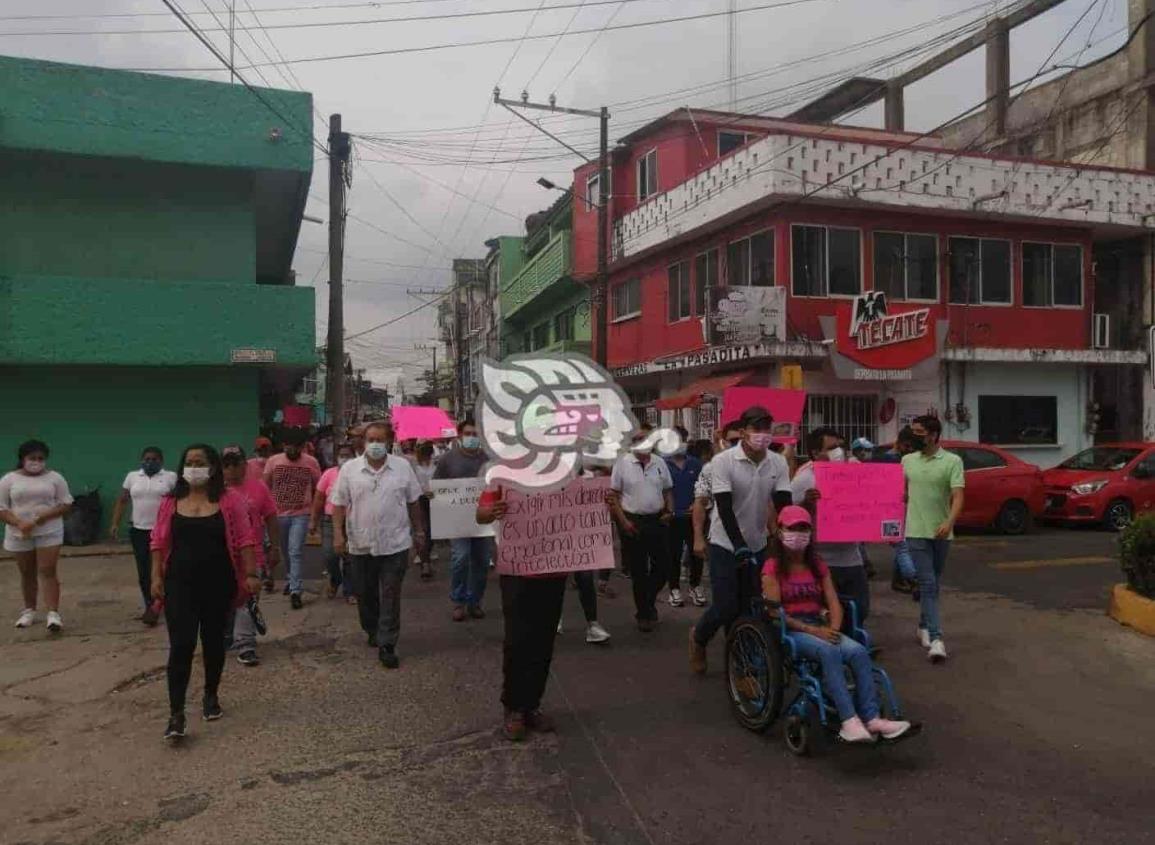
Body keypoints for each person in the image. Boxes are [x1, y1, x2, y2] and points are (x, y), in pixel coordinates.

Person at [761, 505, 912, 743]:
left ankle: (872, 718)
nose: (799, 534)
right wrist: (816, 632)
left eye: (804, 528)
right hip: (792, 629)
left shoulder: (817, 564)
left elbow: (833, 601)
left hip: (821, 626)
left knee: (859, 651)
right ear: (780, 531)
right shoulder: (773, 567)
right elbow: (775, 613)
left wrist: (834, 627)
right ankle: (849, 721)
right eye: (793, 528)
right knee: (829, 651)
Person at [149, 444, 259, 742]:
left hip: (219, 583)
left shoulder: (229, 500)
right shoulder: (170, 502)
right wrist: (155, 577)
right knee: (181, 646)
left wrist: (250, 574)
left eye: (200, 462)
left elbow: (245, 539)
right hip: (179, 584)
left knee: (213, 643)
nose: (194, 467)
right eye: (189, 462)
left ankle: (211, 695)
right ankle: (176, 715)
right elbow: (158, 542)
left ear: (212, 468)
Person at [689, 406, 791, 674]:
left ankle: (742, 662)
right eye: (757, 429)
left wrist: (792, 531)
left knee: (751, 606)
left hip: (758, 543)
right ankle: (699, 638)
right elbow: (723, 507)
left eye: (767, 429)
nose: (763, 435)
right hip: (724, 543)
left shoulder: (777, 462)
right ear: (744, 431)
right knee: (726, 606)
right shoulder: (723, 462)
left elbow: (783, 502)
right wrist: (739, 546)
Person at [331, 422, 425, 669]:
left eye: (379, 440)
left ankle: (387, 643)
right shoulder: (350, 470)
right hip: (361, 544)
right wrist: (338, 536)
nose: (374, 444)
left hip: (395, 543)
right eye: (370, 439)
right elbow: (339, 504)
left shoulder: (402, 467)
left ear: (389, 442)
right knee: (365, 592)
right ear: (363, 442)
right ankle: (372, 628)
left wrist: (419, 531)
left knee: (391, 593)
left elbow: (414, 501)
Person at [476, 486, 566, 742]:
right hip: (517, 570)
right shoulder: (501, 476)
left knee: (545, 638)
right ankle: (514, 707)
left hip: (554, 569)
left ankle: (532, 705)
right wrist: (492, 511)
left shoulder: (567, 476)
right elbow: (480, 515)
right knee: (518, 639)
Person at [791, 428, 870, 626]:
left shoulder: (853, 473)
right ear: (816, 453)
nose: (839, 451)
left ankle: (853, 643)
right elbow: (789, 518)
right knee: (830, 611)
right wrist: (806, 504)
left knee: (860, 608)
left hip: (852, 556)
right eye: (832, 447)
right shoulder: (804, 479)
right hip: (822, 558)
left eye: (840, 446)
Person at [903, 415, 965, 663]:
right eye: (912, 431)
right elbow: (900, 492)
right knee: (928, 584)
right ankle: (937, 639)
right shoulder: (907, 460)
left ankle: (923, 626)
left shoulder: (952, 461)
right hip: (915, 531)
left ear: (933, 435)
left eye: (919, 432)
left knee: (933, 583)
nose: (913, 436)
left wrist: (949, 522)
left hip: (941, 532)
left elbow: (958, 495)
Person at [2, 440, 73, 633]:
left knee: (48, 570)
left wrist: (44, 516)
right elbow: (2, 508)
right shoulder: (9, 479)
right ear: (22, 459)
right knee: (27, 572)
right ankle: (29, 611)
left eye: (41, 458)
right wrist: (19, 523)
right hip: (19, 533)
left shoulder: (55, 478)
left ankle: (53, 613)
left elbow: (66, 504)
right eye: (32, 458)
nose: (37, 462)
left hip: (49, 531)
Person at [220, 446, 281, 667]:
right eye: (227, 464)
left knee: (248, 598)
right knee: (224, 599)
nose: (232, 469)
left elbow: (271, 517)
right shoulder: (213, 491)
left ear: (245, 465)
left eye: (236, 463)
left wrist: (275, 547)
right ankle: (226, 637)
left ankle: (246, 645)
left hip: (252, 554)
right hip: (221, 555)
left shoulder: (258, 488)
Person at [610, 424, 674, 632]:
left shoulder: (659, 463)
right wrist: (623, 521)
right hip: (633, 522)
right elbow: (613, 497)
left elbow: (668, 491)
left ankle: (647, 601)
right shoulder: (622, 463)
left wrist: (669, 511)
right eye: (638, 439)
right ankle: (644, 613)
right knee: (639, 571)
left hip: (657, 520)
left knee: (663, 567)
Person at [109, 447, 177, 626]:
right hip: (139, 530)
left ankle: (166, 602)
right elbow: (122, 500)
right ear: (141, 460)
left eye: (154, 459)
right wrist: (115, 523)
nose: (150, 462)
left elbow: (180, 501)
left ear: (161, 461)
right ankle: (150, 605)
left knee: (166, 567)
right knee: (144, 569)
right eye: (146, 459)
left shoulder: (170, 477)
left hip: (164, 530)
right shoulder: (133, 477)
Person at [433, 419, 492, 621]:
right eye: (468, 434)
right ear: (459, 436)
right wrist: (433, 495)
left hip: (484, 520)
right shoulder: (447, 459)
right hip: (457, 520)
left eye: (476, 435)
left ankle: (475, 601)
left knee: (483, 562)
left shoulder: (488, 459)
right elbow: (436, 485)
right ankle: (458, 601)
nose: (472, 438)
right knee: (460, 558)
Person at [263, 429, 321, 609]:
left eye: (296, 447)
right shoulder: (273, 461)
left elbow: (318, 489)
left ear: (302, 447)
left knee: (295, 551)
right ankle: (290, 578)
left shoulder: (311, 462)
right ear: (283, 446)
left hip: (301, 514)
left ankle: (296, 590)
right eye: (289, 446)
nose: (292, 450)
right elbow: (265, 487)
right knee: (285, 551)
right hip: (277, 514)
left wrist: (313, 515)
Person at [311, 442, 356, 600]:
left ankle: (350, 591)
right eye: (342, 455)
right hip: (330, 520)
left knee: (350, 557)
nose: (344, 459)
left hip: (352, 520)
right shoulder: (329, 474)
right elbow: (319, 498)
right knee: (330, 555)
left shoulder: (357, 474)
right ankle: (335, 579)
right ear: (337, 457)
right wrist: (313, 521)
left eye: (348, 455)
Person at [664, 425, 703, 609]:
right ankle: (674, 589)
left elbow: (703, 488)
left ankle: (695, 586)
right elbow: (661, 490)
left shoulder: (695, 464)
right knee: (674, 554)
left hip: (693, 517)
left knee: (697, 553)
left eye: (681, 439)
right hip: (672, 519)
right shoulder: (662, 464)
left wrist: (696, 504)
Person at [878, 427, 919, 594]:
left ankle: (899, 580)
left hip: (899, 510)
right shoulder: (893, 460)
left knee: (901, 546)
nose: (910, 450)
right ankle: (914, 579)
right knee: (902, 546)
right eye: (908, 446)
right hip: (892, 511)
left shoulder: (890, 459)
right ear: (900, 443)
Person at [412, 441, 436, 580]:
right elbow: (412, 484)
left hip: (434, 499)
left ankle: (426, 554)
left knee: (432, 531)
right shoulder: (413, 467)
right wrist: (422, 491)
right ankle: (425, 563)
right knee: (423, 529)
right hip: (420, 500)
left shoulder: (436, 464)